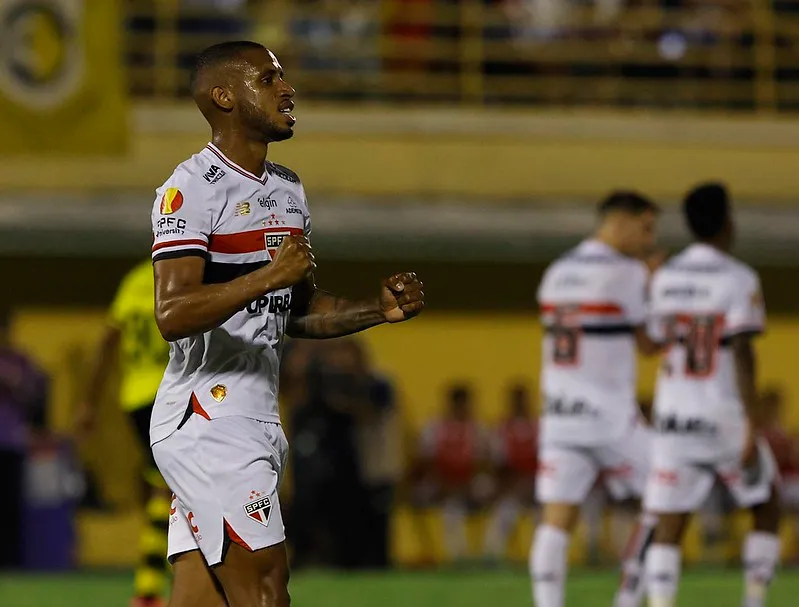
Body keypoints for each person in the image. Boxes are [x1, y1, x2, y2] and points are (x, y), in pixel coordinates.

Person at [149, 41, 424, 607]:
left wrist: (377, 310)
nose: (286, 88)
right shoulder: (191, 188)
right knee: (268, 586)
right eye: (268, 78)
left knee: (199, 598)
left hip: (253, 416)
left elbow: (297, 312)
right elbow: (171, 314)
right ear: (224, 96)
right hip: (207, 416)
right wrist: (265, 277)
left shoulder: (287, 189)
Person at [641, 183, 781, 607]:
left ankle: (662, 603)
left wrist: (646, 285)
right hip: (721, 413)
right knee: (767, 505)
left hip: (672, 416)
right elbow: (741, 352)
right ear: (727, 222)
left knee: (669, 521)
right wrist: (753, 421)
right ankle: (753, 600)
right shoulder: (738, 278)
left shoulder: (665, 276)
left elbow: (651, 342)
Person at [532, 191, 662, 607]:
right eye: (646, 228)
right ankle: (628, 598)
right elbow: (649, 343)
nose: (649, 239)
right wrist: (655, 283)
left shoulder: (556, 271)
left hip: (559, 411)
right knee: (668, 495)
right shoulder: (627, 272)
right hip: (608, 414)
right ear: (620, 221)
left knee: (556, 520)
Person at [77, 259, 172, 607]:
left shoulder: (133, 281)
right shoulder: (186, 270)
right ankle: (149, 589)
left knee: (165, 487)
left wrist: (89, 402)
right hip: (169, 392)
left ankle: (151, 587)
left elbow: (107, 341)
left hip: (134, 397)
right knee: (174, 489)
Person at [411, 384, 491, 563]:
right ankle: (456, 557)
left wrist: (463, 485)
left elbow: (485, 464)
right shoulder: (433, 428)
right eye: (458, 404)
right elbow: (426, 461)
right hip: (441, 482)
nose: (461, 409)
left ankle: (489, 555)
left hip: (469, 483)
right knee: (448, 507)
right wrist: (445, 484)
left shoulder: (478, 429)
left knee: (497, 498)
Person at [0, 307, 49, 570]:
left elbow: (37, 393)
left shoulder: (19, 361)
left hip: (10, 442)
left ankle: (10, 561)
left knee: (9, 506)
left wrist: (15, 383)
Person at [482, 383, 538, 562]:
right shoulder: (501, 428)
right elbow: (497, 465)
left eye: (523, 400)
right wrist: (511, 486)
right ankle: (491, 556)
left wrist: (530, 485)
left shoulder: (539, 427)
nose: (520, 405)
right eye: (516, 401)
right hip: (509, 487)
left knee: (544, 515)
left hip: (535, 486)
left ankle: (538, 559)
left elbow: (545, 461)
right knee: (506, 510)